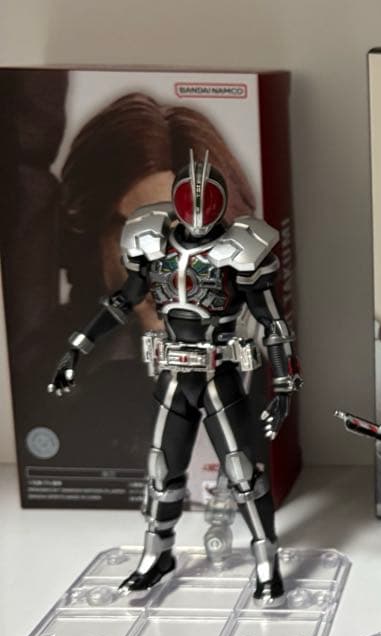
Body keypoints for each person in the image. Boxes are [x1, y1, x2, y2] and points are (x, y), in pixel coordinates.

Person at [48, 150, 300, 602]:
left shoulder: (242, 248)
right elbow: (121, 302)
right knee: (162, 472)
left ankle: (266, 560)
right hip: (173, 374)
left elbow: (273, 323)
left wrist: (283, 387)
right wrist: (76, 349)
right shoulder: (151, 240)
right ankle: (156, 555)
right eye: (190, 202)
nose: (198, 213)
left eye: (206, 203)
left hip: (219, 373)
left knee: (243, 472)